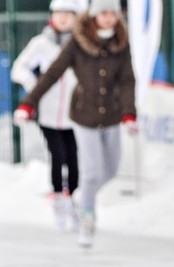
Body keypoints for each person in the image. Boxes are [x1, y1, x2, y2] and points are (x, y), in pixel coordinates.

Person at [14, 0, 137, 248]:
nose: (109, 19)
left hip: (108, 115)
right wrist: (29, 101)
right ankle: (82, 215)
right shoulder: (70, 42)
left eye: (113, 14)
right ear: (93, 16)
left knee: (108, 169)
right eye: (103, 13)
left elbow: (126, 80)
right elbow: (50, 73)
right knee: (75, 163)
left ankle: (80, 195)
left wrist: (128, 112)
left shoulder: (120, 42)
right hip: (78, 115)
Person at [11, 0, 87, 231]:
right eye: (58, 13)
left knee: (73, 158)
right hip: (48, 112)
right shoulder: (41, 43)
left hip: (75, 114)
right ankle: (58, 200)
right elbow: (19, 68)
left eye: (68, 13)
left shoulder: (82, 44)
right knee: (58, 154)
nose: (63, 18)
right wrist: (34, 85)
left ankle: (71, 197)